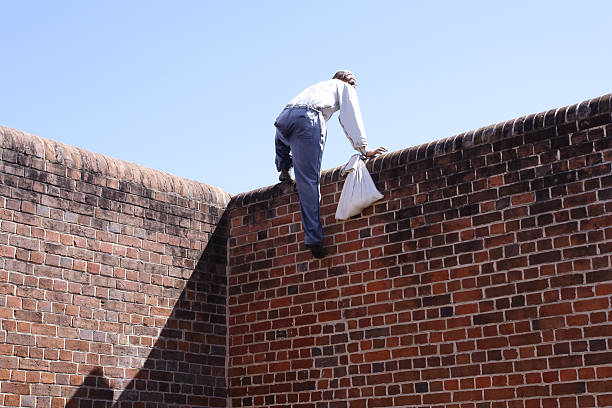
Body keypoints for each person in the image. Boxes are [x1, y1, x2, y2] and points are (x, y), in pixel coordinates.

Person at [274, 70, 387, 259]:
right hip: (307, 119)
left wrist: (283, 164)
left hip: (284, 118)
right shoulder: (343, 87)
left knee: (283, 139)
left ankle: (284, 169)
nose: (354, 84)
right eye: (353, 82)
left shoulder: (317, 86)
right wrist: (363, 148)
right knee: (309, 180)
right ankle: (314, 239)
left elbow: (285, 122)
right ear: (346, 81)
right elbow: (350, 117)